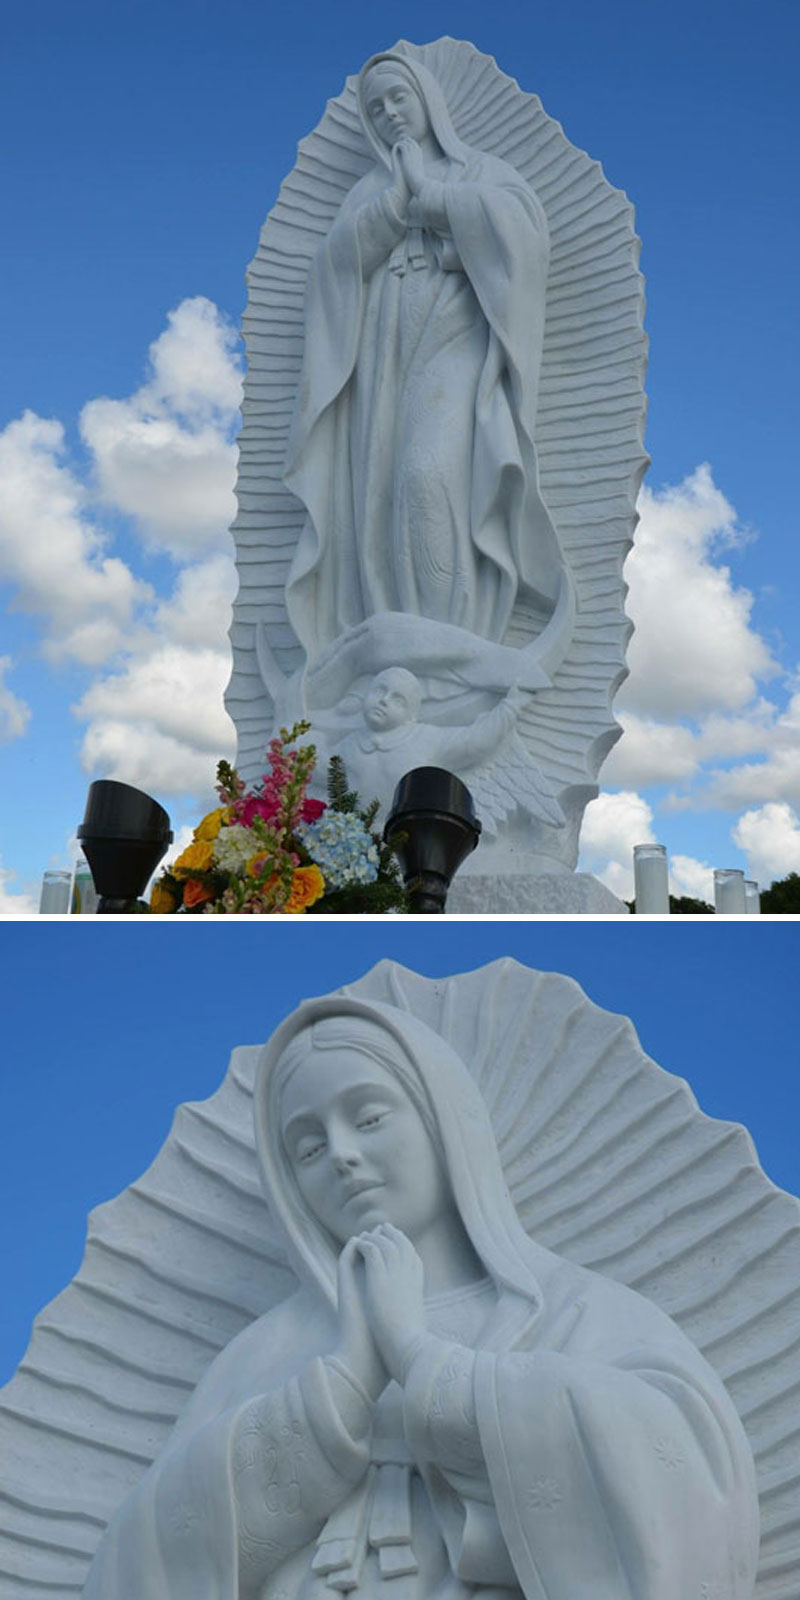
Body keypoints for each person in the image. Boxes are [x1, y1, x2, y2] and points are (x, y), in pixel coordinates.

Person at [82, 996, 759, 1600]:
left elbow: (689, 1487)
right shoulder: (266, 1352)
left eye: (369, 1116)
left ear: (444, 1121)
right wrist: (342, 1385)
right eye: (309, 1147)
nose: (342, 1154)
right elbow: (141, 1557)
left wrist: (423, 1359)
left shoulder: (574, 1312)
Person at [283, 51, 566, 665]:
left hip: (455, 344)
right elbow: (333, 268)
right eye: (376, 108)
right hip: (381, 359)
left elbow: (522, 243)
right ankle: (388, 649)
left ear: (428, 101)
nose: (389, 116)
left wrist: (433, 198)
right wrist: (391, 207)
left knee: (427, 476)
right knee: (379, 495)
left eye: (398, 99)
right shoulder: (368, 189)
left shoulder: (480, 172)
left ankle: (447, 643)